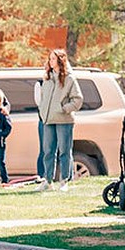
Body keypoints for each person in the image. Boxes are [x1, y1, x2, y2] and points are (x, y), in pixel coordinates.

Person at [35, 49, 83, 191]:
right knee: (48, 151)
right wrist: (43, 112)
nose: (51, 62)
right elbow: (43, 99)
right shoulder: (47, 78)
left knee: (64, 151)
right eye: (49, 59)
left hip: (64, 121)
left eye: (53, 59)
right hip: (48, 120)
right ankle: (47, 181)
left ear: (60, 61)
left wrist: (63, 109)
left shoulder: (69, 79)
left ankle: (64, 182)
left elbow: (78, 100)